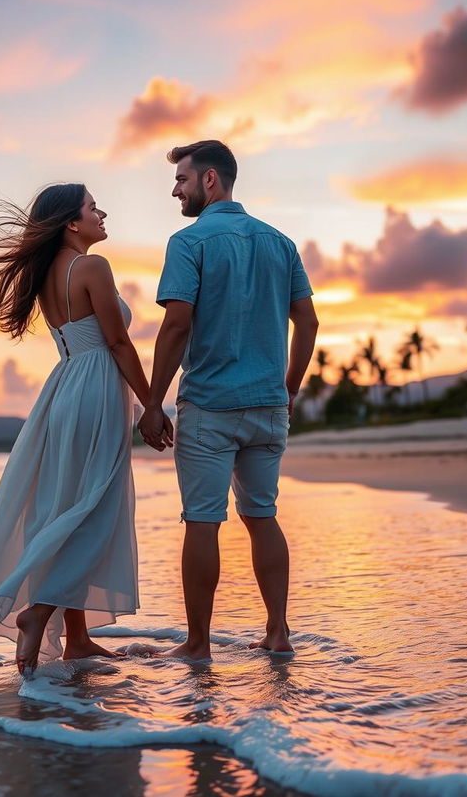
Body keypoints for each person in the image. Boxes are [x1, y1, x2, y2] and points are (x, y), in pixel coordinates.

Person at [0, 183, 171, 675]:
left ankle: (77, 638)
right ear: (72, 222)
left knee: (71, 501)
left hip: (63, 389)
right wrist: (151, 404)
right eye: (93, 207)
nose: (102, 213)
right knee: (95, 507)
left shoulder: (51, 272)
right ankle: (39, 613)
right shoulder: (92, 267)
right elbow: (117, 343)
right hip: (96, 386)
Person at [138, 141, 318, 660]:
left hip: (211, 407)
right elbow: (307, 322)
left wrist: (154, 402)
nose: (176, 189)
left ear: (210, 180)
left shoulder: (189, 241)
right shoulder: (279, 243)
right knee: (262, 515)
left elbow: (176, 324)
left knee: (202, 519)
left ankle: (197, 644)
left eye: (182, 180)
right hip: (267, 405)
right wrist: (290, 386)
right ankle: (278, 633)